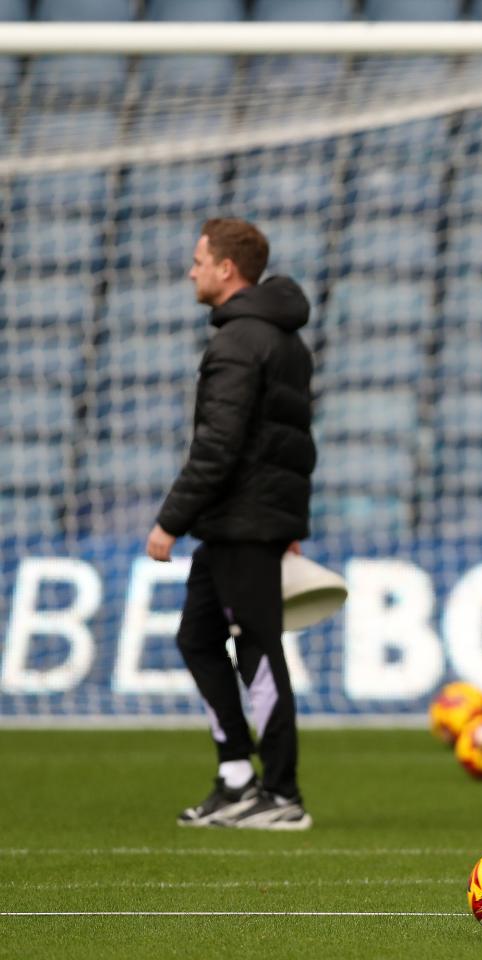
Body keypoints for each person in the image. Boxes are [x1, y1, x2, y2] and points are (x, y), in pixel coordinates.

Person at [146, 218, 317, 831]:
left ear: (227, 268)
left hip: (243, 522)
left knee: (259, 652)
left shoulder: (240, 341)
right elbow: (291, 440)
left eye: (198, 260)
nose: (191, 270)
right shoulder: (282, 339)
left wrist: (170, 520)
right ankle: (239, 778)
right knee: (197, 639)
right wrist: (288, 519)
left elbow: (219, 445)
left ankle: (283, 795)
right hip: (246, 521)